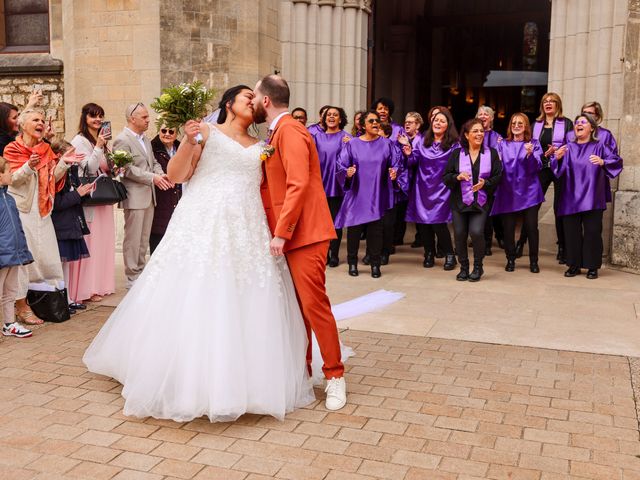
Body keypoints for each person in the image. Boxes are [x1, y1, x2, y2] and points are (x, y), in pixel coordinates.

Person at [84, 85, 317, 422]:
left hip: (248, 225)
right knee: (197, 288)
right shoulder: (205, 131)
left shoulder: (262, 144)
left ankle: (248, 377)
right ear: (228, 104)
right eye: (245, 98)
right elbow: (177, 176)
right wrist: (189, 140)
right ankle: (183, 374)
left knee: (248, 292)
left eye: (254, 99)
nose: (251, 103)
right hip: (203, 219)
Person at [252, 75, 347, 411]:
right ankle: (304, 372)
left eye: (255, 96)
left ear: (265, 100)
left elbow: (298, 184)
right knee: (298, 310)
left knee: (314, 306)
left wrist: (282, 231)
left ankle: (335, 376)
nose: (251, 102)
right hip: (292, 234)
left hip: (304, 234)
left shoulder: (290, 130)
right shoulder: (277, 132)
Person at [4, 109, 81, 324]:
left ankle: (49, 303)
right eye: (35, 120)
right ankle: (21, 306)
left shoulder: (46, 148)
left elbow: (51, 179)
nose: (41, 123)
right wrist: (29, 166)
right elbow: (13, 180)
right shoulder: (12, 149)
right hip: (22, 211)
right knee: (23, 260)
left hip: (43, 210)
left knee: (47, 258)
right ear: (23, 125)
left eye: (42, 120)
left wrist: (64, 163)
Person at [552, 114, 623, 279]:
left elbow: (617, 161)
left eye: (583, 122)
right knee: (571, 233)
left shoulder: (600, 146)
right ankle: (574, 265)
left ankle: (592, 266)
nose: (578, 124)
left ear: (592, 127)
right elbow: (557, 171)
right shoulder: (568, 147)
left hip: (592, 197)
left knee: (592, 232)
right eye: (577, 122)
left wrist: (603, 162)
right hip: (570, 197)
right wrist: (557, 158)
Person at [334, 111, 404, 278]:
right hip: (357, 194)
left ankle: (375, 264)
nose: (375, 123)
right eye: (371, 121)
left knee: (376, 232)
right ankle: (352, 262)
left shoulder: (387, 144)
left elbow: (397, 163)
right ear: (363, 125)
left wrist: (395, 172)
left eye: (377, 121)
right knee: (354, 231)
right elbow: (341, 165)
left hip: (377, 195)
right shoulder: (352, 144)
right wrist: (347, 173)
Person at [113, 103, 172, 289]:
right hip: (134, 196)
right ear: (133, 118)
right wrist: (152, 178)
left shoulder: (145, 139)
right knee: (133, 238)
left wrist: (161, 173)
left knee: (143, 238)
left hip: (149, 195)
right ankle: (132, 276)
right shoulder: (122, 140)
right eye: (145, 117)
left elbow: (153, 162)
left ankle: (140, 270)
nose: (148, 120)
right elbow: (126, 169)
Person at [443, 119, 502, 282]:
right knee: (460, 234)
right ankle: (463, 267)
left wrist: (486, 183)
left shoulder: (492, 154)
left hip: (480, 202)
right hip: (459, 202)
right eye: (475, 131)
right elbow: (446, 177)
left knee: (476, 232)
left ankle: (478, 266)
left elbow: (498, 176)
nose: (479, 134)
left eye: (481, 131)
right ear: (467, 135)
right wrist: (457, 176)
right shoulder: (456, 154)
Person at [518, 92, 573, 262]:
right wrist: (543, 154)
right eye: (545, 101)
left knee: (559, 207)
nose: (548, 104)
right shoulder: (536, 124)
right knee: (531, 206)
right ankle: (521, 242)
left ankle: (562, 246)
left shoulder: (567, 123)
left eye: (552, 101)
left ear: (558, 104)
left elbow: (573, 145)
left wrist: (560, 152)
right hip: (541, 168)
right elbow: (530, 146)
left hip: (560, 167)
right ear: (542, 105)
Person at [69, 103, 116, 304]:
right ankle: (87, 289)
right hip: (90, 198)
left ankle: (102, 284)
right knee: (92, 243)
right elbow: (89, 168)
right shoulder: (79, 141)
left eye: (100, 116)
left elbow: (104, 168)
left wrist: (116, 165)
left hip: (104, 197)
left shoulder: (102, 141)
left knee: (103, 243)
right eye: (93, 116)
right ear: (85, 117)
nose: (97, 120)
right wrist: (97, 147)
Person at [491, 113, 544, 273]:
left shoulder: (534, 143)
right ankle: (510, 258)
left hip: (530, 191)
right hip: (508, 190)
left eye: (520, 123)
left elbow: (539, 166)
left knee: (531, 227)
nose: (516, 125)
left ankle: (533, 261)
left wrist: (529, 154)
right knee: (508, 228)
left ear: (526, 126)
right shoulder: (503, 144)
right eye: (513, 123)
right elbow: (496, 166)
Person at [406, 109, 458, 270]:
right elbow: (413, 162)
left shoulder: (454, 144)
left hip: (442, 189)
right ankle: (429, 253)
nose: (438, 123)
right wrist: (409, 154)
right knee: (423, 224)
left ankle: (449, 254)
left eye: (442, 121)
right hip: (422, 189)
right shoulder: (422, 141)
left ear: (448, 125)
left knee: (438, 223)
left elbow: (458, 166)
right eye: (435, 120)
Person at [50, 140, 93, 312]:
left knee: (66, 265)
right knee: (58, 265)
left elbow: (75, 195)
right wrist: (77, 194)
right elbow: (56, 203)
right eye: (72, 154)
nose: (76, 157)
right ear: (60, 156)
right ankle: (60, 301)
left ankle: (67, 298)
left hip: (71, 221)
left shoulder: (72, 170)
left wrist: (85, 193)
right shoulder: (56, 174)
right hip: (60, 224)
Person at [311, 106, 351, 267]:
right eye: (329, 115)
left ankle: (334, 254)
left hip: (337, 186)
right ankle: (323, 253)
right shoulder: (316, 138)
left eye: (335, 115)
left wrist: (351, 145)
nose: (332, 117)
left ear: (341, 119)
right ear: (324, 118)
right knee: (320, 224)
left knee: (335, 223)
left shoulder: (347, 138)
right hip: (319, 185)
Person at [0, 155, 34, 338]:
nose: (12, 173)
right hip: (2, 253)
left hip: (13, 253)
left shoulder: (10, 199)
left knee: (10, 291)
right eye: (9, 171)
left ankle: (9, 324)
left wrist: (22, 250)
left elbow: (17, 227)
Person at [392, 112, 425, 247]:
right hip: (403, 179)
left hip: (418, 178)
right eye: (406, 121)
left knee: (418, 208)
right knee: (400, 209)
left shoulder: (422, 140)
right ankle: (398, 237)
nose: (406, 124)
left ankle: (421, 237)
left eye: (410, 122)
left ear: (418, 125)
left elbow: (419, 159)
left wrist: (408, 146)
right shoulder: (400, 138)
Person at [476, 105, 504, 255]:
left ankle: (487, 243)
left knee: (487, 213)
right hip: (473, 179)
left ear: (492, 118)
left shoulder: (497, 137)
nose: (483, 116)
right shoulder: (471, 134)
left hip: (489, 180)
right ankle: (476, 239)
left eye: (486, 114)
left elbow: (499, 160)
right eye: (480, 114)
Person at [150, 125, 181, 254]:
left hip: (178, 198)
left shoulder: (181, 148)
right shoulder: (151, 148)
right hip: (160, 199)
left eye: (171, 131)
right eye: (163, 130)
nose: (167, 134)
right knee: (158, 237)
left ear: (177, 133)